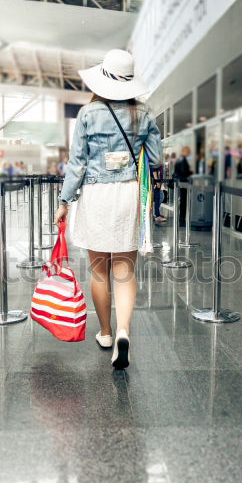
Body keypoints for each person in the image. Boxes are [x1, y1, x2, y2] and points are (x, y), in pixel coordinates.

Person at [54, 48, 161, 370]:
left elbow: (77, 164)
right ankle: (124, 331)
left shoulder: (88, 115)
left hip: (96, 195)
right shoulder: (144, 115)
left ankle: (104, 331)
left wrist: (64, 201)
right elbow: (155, 160)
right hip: (129, 193)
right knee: (124, 270)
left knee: (99, 270)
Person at [174, 146, 192, 224]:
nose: (189, 153)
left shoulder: (180, 160)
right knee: (183, 201)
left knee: (183, 201)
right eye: (187, 151)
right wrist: (190, 173)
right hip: (183, 183)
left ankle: (182, 218)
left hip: (182, 183)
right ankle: (182, 219)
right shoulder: (183, 160)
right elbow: (184, 172)